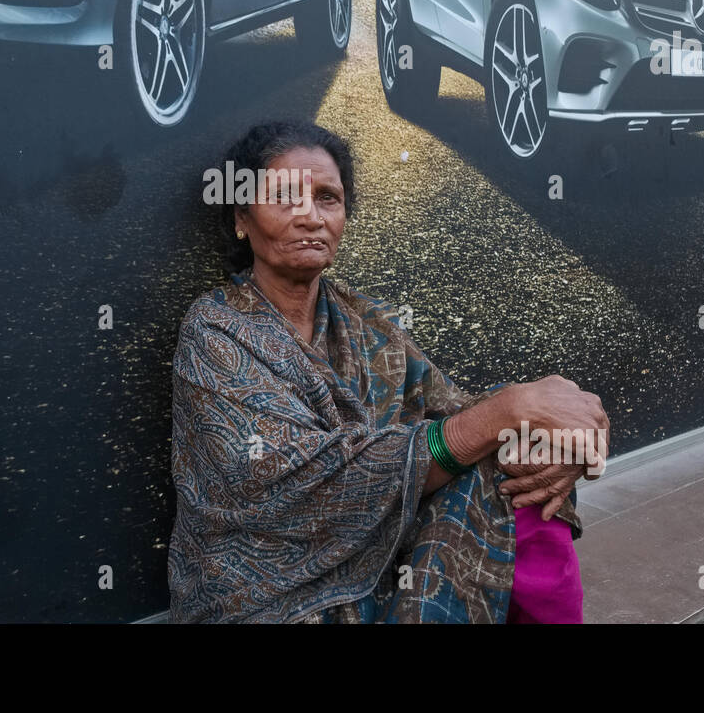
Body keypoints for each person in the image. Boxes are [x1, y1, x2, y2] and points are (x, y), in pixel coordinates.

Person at [168, 120, 610, 623]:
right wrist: (505, 413)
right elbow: (301, 486)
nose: (310, 216)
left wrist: (569, 431)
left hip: (378, 554)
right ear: (241, 218)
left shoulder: (368, 322)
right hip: (272, 591)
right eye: (284, 196)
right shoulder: (215, 331)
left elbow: (463, 411)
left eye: (328, 198)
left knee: (512, 440)